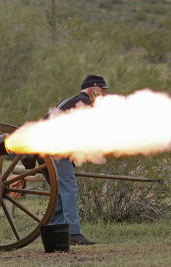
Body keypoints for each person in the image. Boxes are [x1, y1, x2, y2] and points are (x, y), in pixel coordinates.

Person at [48, 74, 108, 245]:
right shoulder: (83, 102)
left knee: (59, 193)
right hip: (57, 151)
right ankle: (73, 233)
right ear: (92, 90)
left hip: (49, 151)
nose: (104, 93)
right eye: (102, 90)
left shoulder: (76, 102)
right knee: (69, 189)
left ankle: (55, 233)